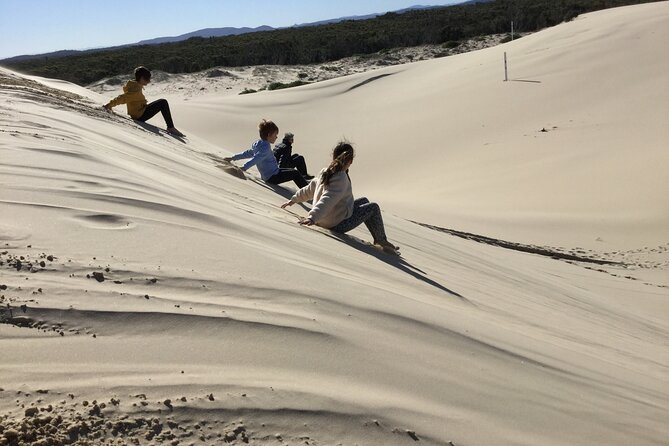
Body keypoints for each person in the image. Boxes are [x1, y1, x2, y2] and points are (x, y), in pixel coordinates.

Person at [281, 142, 398, 253]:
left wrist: (293, 199)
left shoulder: (325, 171)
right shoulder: (340, 177)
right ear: (351, 161)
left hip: (325, 217)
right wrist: (313, 217)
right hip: (334, 224)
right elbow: (328, 198)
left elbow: (310, 189)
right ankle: (382, 241)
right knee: (373, 207)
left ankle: (378, 238)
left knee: (364, 201)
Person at [224, 120, 309, 188]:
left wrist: (232, 158)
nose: (276, 137)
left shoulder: (258, 143)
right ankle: (309, 192)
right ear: (269, 135)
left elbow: (248, 153)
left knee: (293, 172)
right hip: (272, 177)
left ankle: (308, 189)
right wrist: (244, 167)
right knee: (295, 174)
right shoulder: (265, 147)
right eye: (275, 135)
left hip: (272, 173)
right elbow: (256, 158)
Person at [103, 66, 185, 137]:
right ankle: (170, 127)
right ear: (142, 78)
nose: (149, 81)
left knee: (161, 102)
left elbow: (125, 97)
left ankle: (170, 127)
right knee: (163, 102)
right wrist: (109, 105)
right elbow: (122, 98)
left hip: (139, 112)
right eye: (147, 79)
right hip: (140, 116)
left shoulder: (134, 85)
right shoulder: (135, 90)